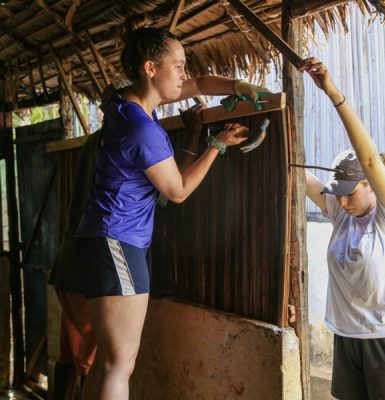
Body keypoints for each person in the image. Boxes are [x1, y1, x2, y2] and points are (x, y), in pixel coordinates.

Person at [62, 13, 268, 400]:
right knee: (120, 364)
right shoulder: (142, 129)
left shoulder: (125, 106)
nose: (183, 75)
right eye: (177, 67)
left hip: (103, 240)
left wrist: (241, 85)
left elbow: (201, 83)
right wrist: (218, 144)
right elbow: (178, 190)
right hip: (117, 242)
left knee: (109, 362)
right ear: (150, 68)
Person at [299, 57, 385, 400]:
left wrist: (332, 93)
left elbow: (368, 159)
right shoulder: (341, 212)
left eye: (349, 193)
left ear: (371, 184)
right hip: (348, 338)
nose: (340, 202)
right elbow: (296, 173)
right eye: (336, 195)